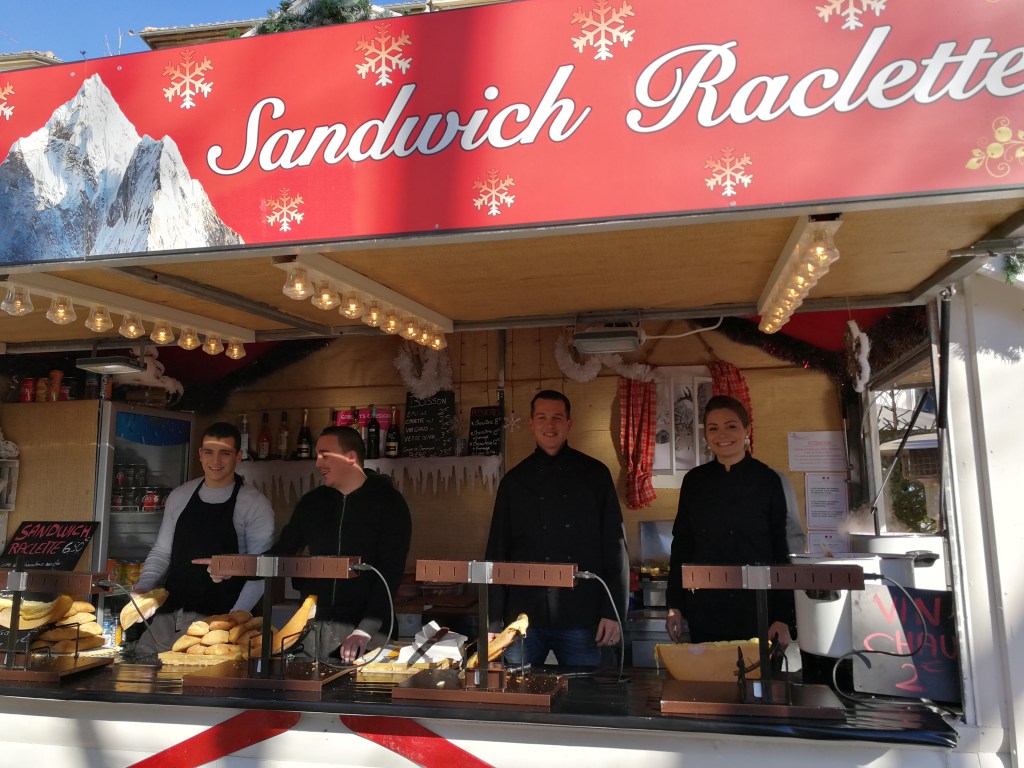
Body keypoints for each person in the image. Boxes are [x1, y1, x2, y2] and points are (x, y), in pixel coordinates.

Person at [485, 390, 629, 667]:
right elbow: (497, 551)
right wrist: (493, 619)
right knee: (519, 697)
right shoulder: (513, 482)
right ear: (531, 423)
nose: (549, 426)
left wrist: (613, 611)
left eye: (557, 418)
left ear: (569, 424)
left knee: (584, 700)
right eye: (542, 418)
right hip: (523, 619)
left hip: (581, 615)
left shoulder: (595, 475)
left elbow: (615, 547)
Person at [268, 426, 411, 663]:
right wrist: (230, 567)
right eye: (317, 455)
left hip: (370, 638)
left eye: (325, 455)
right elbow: (281, 553)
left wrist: (365, 630)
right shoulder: (311, 503)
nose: (317, 463)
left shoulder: (389, 503)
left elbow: (390, 571)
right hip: (313, 634)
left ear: (350, 457)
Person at [130, 421, 275, 654]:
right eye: (209, 452)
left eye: (224, 453)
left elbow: (261, 571)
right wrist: (144, 588)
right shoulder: (180, 496)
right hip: (171, 613)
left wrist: (233, 621)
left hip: (222, 618)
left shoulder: (254, 504)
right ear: (200, 454)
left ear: (238, 455)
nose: (215, 462)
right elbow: (161, 551)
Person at [665, 395, 794, 646]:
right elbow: (681, 544)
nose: (722, 434)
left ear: (747, 430)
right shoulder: (694, 481)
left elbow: (784, 548)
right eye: (713, 428)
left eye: (731, 426)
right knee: (710, 684)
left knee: (760, 684)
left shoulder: (768, 480)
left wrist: (783, 616)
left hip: (758, 611)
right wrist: (675, 606)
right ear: (706, 435)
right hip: (705, 611)